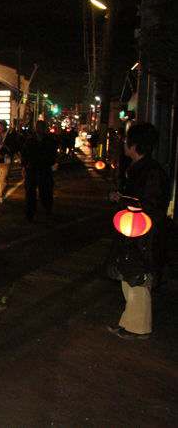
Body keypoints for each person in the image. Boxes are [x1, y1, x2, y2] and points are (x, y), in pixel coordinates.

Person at [107, 123, 168, 340]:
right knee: (131, 280)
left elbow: (149, 205)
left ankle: (138, 328)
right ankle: (131, 323)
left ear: (134, 145)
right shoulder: (140, 168)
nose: (124, 144)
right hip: (135, 234)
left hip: (142, 237)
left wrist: (123, 200)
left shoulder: (150, 172)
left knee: (137, 281)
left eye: (126, 141)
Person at [21, 120, 57, 222]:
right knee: (30, 193)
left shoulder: (49, 140)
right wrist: (24, 165)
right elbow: (24, 154)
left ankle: (47, 208)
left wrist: (48, 162)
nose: (39, 129)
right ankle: (30, 213)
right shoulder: (30, 140)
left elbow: (53, 155)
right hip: (32, 169)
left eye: (41, 127)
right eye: (38, 127)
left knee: (45, 191)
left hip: (44, 169)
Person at [0, 121, 14, 203]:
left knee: (4, 178)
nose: (1, 127)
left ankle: (1, 194)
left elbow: (13, 148)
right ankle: (0, 193)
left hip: (5, 159)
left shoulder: (9, 136)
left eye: (3, 126)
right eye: (0, 126)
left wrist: (5, 146)